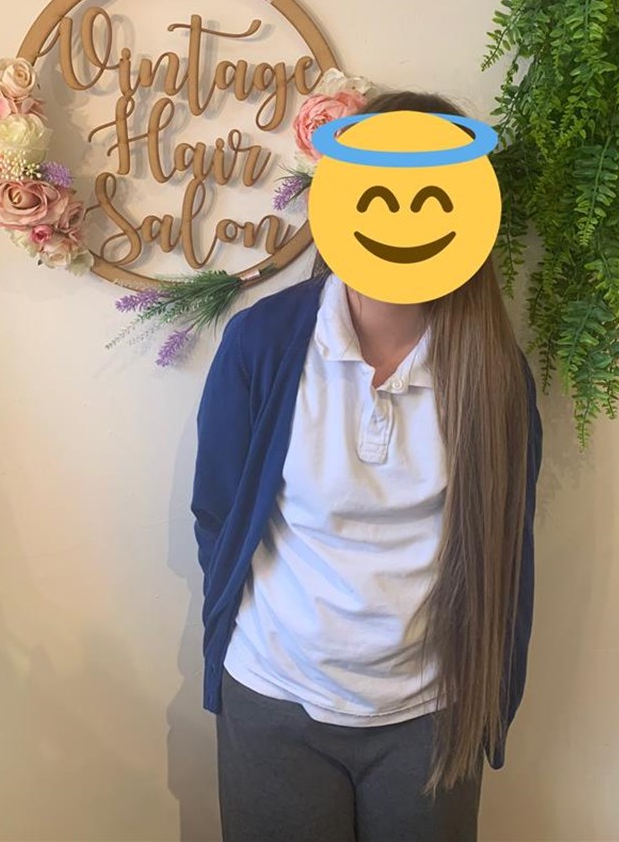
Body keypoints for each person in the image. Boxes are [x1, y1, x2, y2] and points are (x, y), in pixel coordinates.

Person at [191, 91, 543, 842]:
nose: (402, 221)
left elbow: (508, 544)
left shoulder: (495, 373)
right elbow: (218, 509)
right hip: (275, 697)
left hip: (431, 714)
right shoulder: (263, 343)